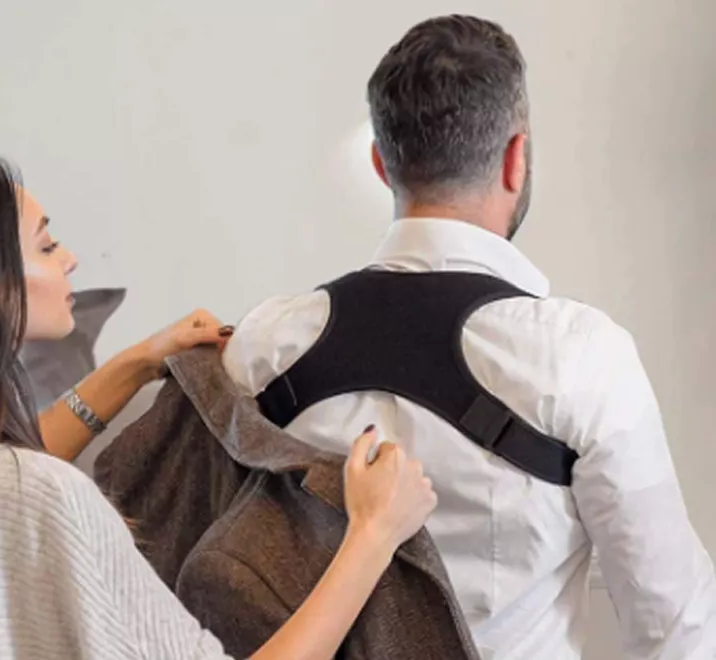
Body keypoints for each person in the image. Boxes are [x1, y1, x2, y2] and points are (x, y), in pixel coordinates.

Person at [224, 14, 716, 660]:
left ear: (380, 163)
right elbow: (675, 627)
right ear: (517, 159)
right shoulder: (580, 357)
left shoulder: (266, 346)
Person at [0, 158, 438, 660]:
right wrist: (374, 533)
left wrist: (137, 363)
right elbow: (29, 488)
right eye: (46, 246)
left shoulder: (26, 487)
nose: (71, 259)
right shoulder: (49, 495)